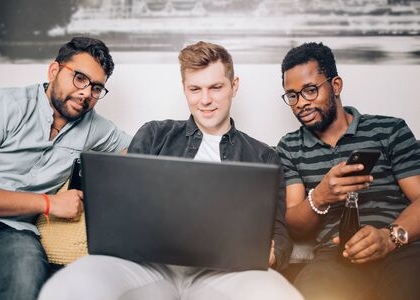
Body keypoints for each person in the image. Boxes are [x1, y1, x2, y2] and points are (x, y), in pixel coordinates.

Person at [39, 41, 302, 300]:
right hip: (145, 267)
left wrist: (273, 252)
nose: (206, 100)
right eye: (195, 89)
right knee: (69, 287)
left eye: (216, 87)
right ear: (184, 89)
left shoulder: (263, 156)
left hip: (225, 273)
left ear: (234, 87)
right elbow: (124, 209)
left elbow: (280, 233)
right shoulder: (155, 135)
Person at [0, 36, 131, 300]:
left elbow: (140, 150)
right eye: (80, 78)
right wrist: (48, 203)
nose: (86, 93)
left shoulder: (95, 127)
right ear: (54, 70)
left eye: (96, 88)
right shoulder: (5, 105)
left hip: (9, 233)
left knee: (25, 275)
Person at [276, 42, 420, 300]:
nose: (301, 103)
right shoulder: (289, 148)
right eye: (293, 95)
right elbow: (295, 225)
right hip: (335, 257)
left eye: (310, 90)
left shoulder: (390, 130)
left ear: (336, 86)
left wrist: (389, 238)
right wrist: (320, 196)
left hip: (401, 249)